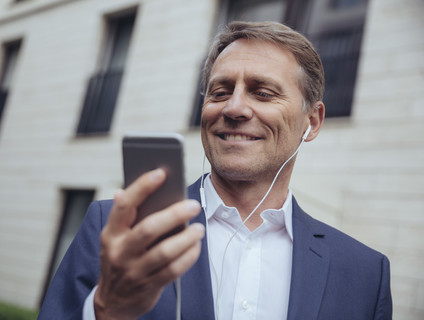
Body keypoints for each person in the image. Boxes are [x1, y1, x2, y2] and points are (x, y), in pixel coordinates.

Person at [38, 21, 392, 320]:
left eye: (263, 93)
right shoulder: (115, 225)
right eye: (220, 92)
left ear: (311, 122)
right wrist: (106, 308)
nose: (235, 107)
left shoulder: (365, 273)